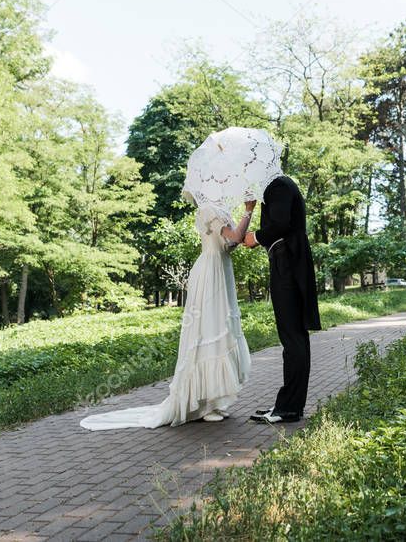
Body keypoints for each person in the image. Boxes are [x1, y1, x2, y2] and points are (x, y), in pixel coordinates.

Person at [79, 201, 255, 430]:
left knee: (221, 330)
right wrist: (249, 210)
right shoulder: (208, 210)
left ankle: (215, 399)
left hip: (222, 270)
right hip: (210, 273)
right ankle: (204, 402)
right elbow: (236, 234)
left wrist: (244, 219)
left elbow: (231, 243)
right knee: (207, 331)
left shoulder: (223, 211)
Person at [243, 175, 320, 424]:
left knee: (292, 336)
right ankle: (288, 405)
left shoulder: (278, 185)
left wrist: (255, 237)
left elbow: (280, 224)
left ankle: (288, 408)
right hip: (286, 260)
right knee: (292, 336)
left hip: (288, 262)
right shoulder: (276, 187)